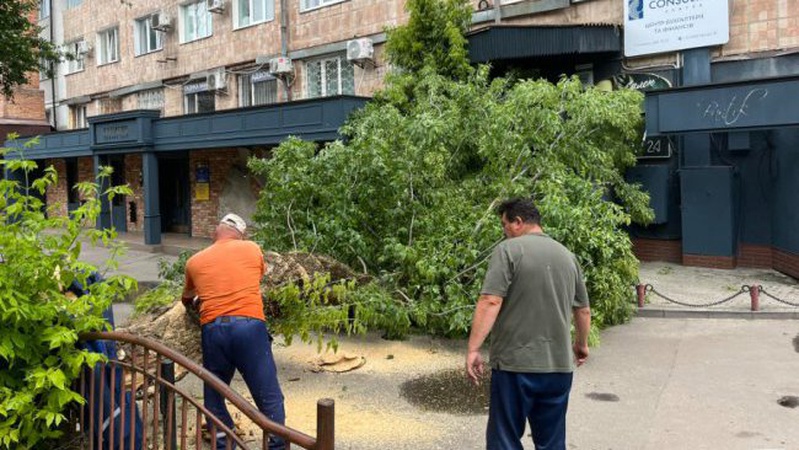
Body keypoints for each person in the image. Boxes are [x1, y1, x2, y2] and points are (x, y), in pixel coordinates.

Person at [466, 198, 591, 450]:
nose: (504, 231)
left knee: (505, 440)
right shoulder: (568, 256)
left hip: (514, 366)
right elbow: (583, 310)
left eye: (504, 225)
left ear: (518, 222)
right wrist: (581, 345)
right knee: (552, 442)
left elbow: (490, 301)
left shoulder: (508, 251)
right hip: (558, 367)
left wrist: (473, 350)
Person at [182, 213, 285, 450]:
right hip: (250, 327)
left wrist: (200, 299)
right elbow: (256, 276)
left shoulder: (194, 261)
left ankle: (223, 443)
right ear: (240, 234)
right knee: (268, 395)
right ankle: (277, 445)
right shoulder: (251, 248)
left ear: (216, 231)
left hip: (213, 330)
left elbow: (186, 299)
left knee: (214, 391)